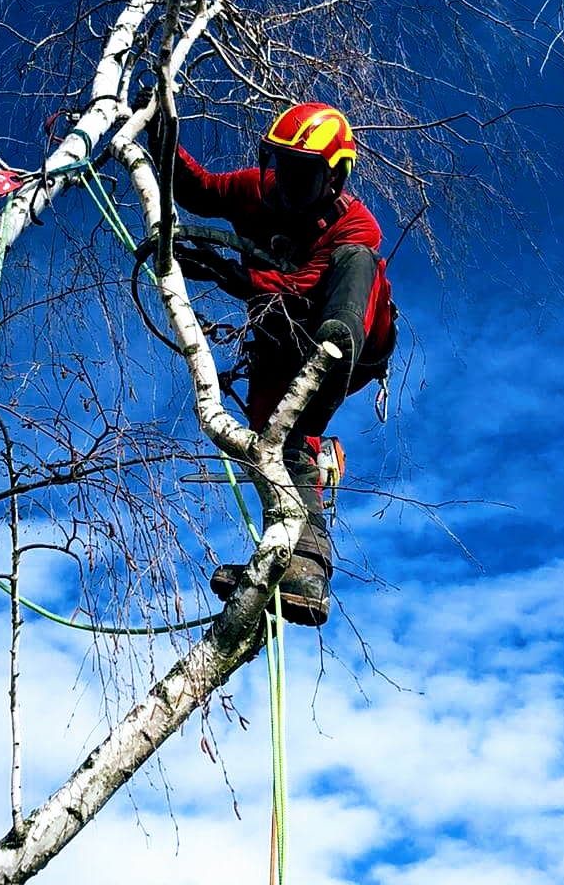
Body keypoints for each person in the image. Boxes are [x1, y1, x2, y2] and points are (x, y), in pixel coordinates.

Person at [144, 100, 396, 625]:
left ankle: (333, 355)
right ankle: (293, 564)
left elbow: (301, 290)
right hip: (280, 343)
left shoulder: (356, 226)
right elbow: (197, 190)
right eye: (280, 165)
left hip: (353, 335)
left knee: (356, 267)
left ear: (333, 179)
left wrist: (232, 275)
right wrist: (161, 132)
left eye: (302, 176)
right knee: (273, 446)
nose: (285, 184)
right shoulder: (257, 190)